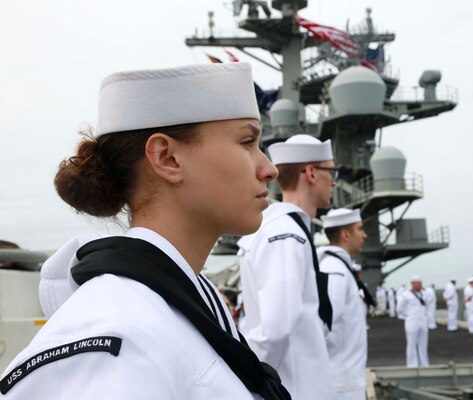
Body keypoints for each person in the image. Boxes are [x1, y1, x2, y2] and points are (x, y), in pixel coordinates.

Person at [0, 63, 291, 399]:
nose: (268, 169)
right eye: (247, 141)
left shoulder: (181, 304)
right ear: (167, 158)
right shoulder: (119, 340)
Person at [237, 134, 336, 399]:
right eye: (332, 170)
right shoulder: (285, 235)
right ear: (311, 173)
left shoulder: (285, 229)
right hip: (294, 388)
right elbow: (275, 329)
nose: (334, 180)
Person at [317, 208, 368, 400]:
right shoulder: (334, 271)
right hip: (340, 386)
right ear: (346, 235)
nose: (365, 234)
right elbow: (321, 327)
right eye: (360, 229)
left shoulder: (339, 268)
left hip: (346, 381)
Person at [397, 276, 429, 368]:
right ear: (413, 284)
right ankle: (412, 365)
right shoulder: (406, 295)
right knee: (411, 344)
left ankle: (424, 364)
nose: (420, 285)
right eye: (419, 283)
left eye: (421, 283)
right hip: (412, 321)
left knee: (423, 344)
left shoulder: (423, 294)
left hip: (423, 321)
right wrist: (407, 316)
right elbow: (399, 309)